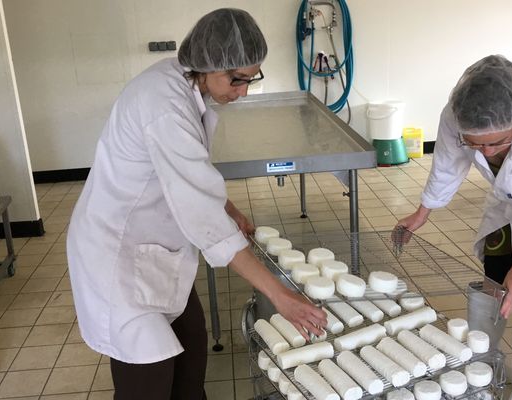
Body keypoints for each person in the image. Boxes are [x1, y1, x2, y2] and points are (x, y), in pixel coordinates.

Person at [66, 8, 326, 400]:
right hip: (117, 255)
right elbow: (199, 212)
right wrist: (280, 295)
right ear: (206, 65)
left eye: (250, 78)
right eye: (236, 80)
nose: (242, 91)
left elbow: (192, 176)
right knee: (149, 381)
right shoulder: (162, 104)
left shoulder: (186, 83)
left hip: (157, 249)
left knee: (191, 356)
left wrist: (228, 208)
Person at [394, 55, 512, 399]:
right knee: (495, 279)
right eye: (476, 143)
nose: (487, 152)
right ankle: (483, 362)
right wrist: (422, 213)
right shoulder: (456, 116)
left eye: (497, 142)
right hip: (506, 209)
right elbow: (447, 165)